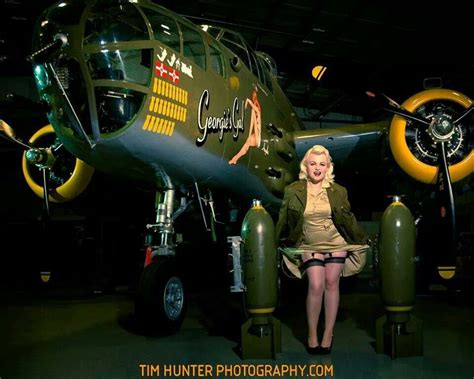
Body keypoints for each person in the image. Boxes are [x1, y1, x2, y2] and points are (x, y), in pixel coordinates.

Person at [275, 145, 368, 355]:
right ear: (305, 166)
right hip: (308, 243)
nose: (317, 168)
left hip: (336, 242)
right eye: (313, 163)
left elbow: (347, 219)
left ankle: (328, 333)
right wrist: (275, 242)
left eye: (322, 164)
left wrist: (361, 238)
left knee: (331, 283)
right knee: (316, 285)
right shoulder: (293, 190)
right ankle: (312, 334)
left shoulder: (339, 191)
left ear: (328, 168)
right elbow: (283, 219)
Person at [229, 87, 261, 165]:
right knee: (246, 146)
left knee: (246, 146)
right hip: (255, 134)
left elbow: (256, 126)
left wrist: (248, 101)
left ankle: (235, 159)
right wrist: (249, 135)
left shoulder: (258, 111)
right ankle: (235, 159)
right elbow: (252, 124)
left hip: (257, 135)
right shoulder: (254, 111)